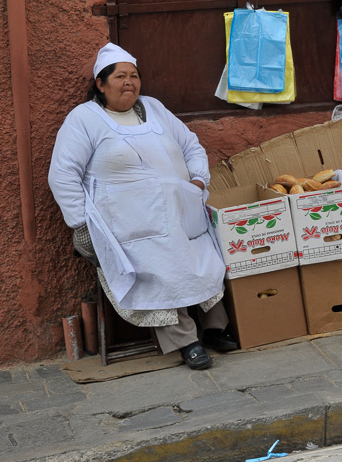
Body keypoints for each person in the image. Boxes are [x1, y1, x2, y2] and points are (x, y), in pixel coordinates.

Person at [48, 42, 237, 370]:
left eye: (134, 76)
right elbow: (62, 175)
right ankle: (186, 341)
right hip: (128, 226)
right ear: (101, 84)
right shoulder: (84, 120)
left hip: (180, 213)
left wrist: (198, 183)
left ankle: (214, 329)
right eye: (119, 76)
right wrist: (82, 222)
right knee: (160, 267)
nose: (129, 82)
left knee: (204, 257)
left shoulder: (154, 109)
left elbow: (191, 145)